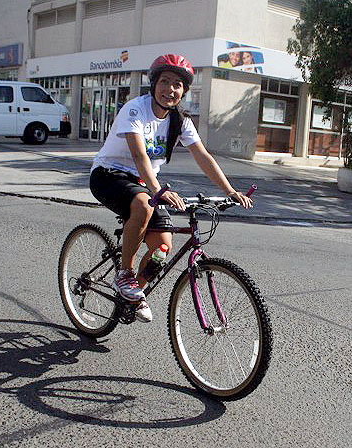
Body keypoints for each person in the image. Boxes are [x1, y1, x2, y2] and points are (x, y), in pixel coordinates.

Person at [89, 54, 252, 323]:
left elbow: (203, 156)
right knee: (143, 204)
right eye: (164, 81)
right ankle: (125, 274)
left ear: (184, 91)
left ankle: (133, 295)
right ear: (154, 84)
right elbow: (140, 156)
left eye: (177, 84)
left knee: (162, 249)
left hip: (144, 184)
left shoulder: (180, 121)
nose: (170, 89)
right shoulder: (135, 109)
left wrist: (230, 191)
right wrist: (157, 191)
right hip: (109, 174)